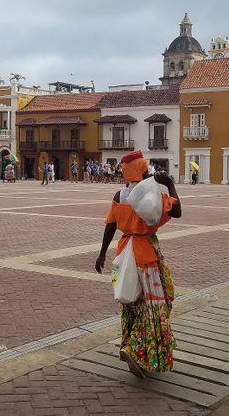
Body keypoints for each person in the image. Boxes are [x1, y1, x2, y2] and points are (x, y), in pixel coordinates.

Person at [95, 150, 182, 378]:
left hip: (124, 252)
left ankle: (132, 346)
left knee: (131, 302)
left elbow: (110, 226)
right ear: (143, 170)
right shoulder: (150, 196)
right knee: (155, 305)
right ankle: (135, 349)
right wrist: (170, 185)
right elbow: (178, 211)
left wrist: (102, 254)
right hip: (147, 255)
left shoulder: (119, 196)